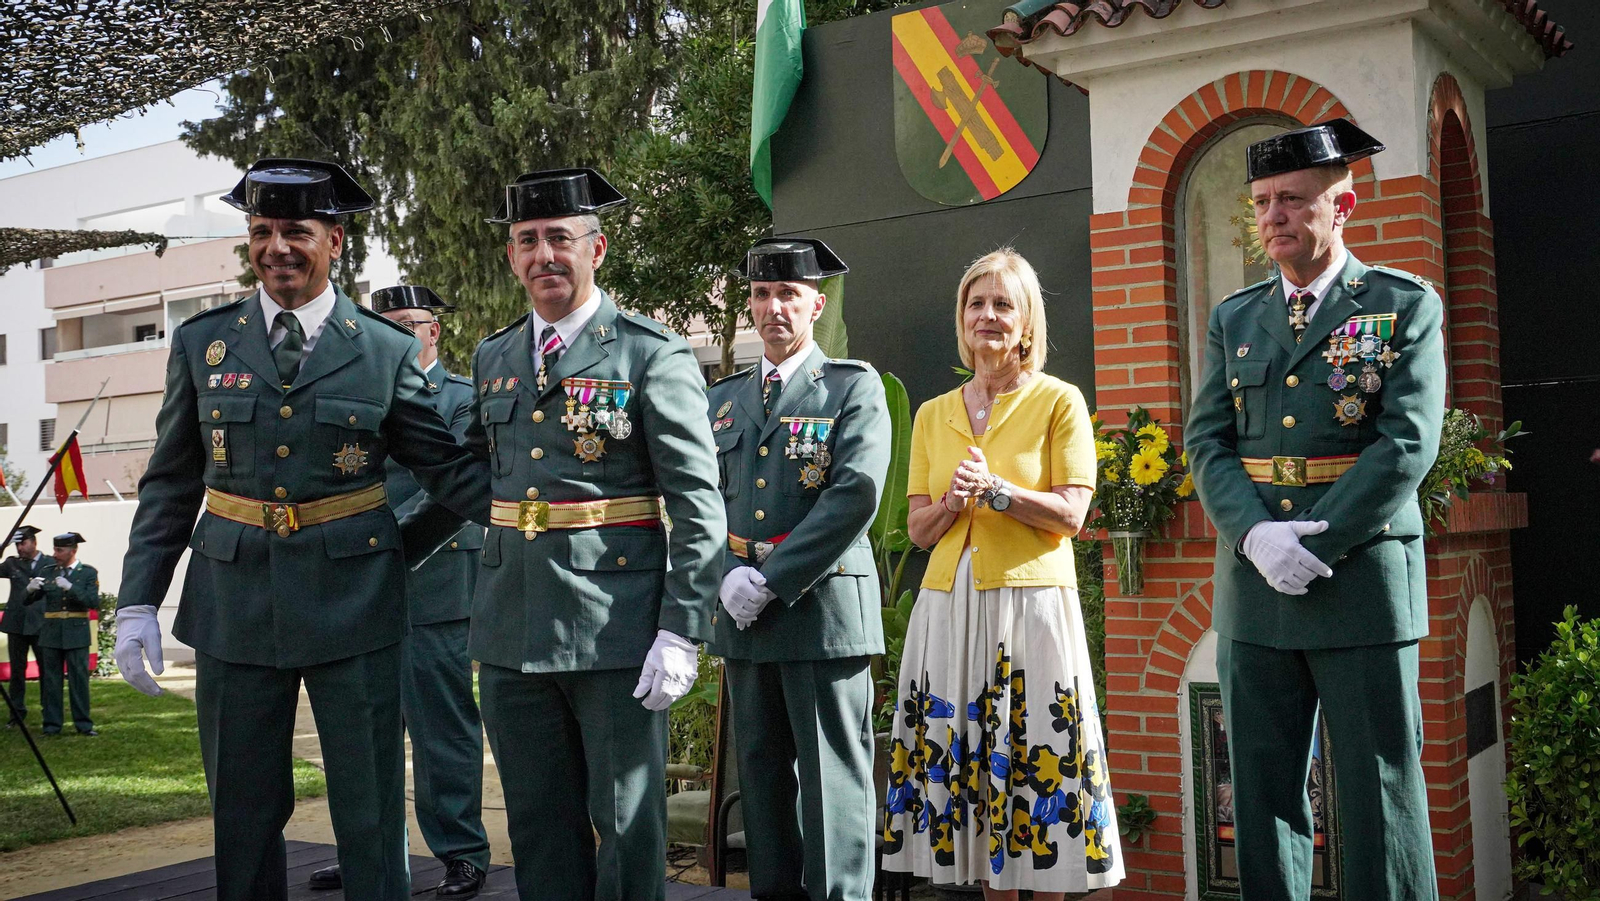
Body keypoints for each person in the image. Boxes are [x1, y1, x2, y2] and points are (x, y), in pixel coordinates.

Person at [112, 158, 492, 901]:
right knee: (243, 809)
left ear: (335, 241)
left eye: (297, 231)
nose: (277, 246)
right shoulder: (203, 343)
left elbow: (450, 476)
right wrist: (134, 600)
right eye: (262, 231)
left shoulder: (383, 350)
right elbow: (170, 483)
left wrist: (405, 547)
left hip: (356, 605)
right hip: (233, 603)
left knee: (370, 806)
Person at [405, 167, 725, 901]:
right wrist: (385, 554)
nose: (544, 254)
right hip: (513, 626)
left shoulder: (652, 353)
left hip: (617, 631)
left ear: (597, 249)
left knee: (624, 821)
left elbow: (698, 504)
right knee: (538, 823)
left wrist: (682, 628)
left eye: (560, 238)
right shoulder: (494, 357)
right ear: (512, 256)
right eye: (527, 241)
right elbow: (479, 486)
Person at [1184, 118, 1446, 901]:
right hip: (1256, 587)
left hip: (1360, 580)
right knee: (1261, 798)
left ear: (1343, 206)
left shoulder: (1403, 305)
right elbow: (1207, 441)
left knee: (1378, 796)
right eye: (1263, 202)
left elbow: (1406, 443)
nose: (1274, 217)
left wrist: (1318, 542)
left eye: (1293, 200)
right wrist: (1258, 535)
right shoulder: (1235, 317)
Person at [881, 248, 1122, 899]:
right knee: (978, 790)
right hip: (948, 610)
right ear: (962, 318)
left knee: (1033, 773)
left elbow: (1073, 512)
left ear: (1026, 321)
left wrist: (997, 492)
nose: (987, 315)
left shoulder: (1058, 402)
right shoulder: (934, 414)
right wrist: (956, 501)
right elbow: (921, 528)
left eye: (1002, 304)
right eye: (975, 303)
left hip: (1031, 608)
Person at [705, 238, 890, 901]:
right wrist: (728, 571)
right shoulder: (723, 400)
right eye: (761, 294)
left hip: (819, 615)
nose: (773, 306)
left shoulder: (850, 385)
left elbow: (855, 495)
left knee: (831, 790)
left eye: (788, 294)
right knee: (761, 787)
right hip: (745, 619)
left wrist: (770, 579)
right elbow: (700, 499)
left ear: (816, 302)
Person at [307, 285, 489, 898]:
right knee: (360, 732)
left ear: (434, 331)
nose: (396, 335)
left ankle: (461, 851)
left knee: (442, 729)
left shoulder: (464, 399)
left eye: (408, 324)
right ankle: (368, 850)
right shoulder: (354, 393)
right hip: (355, 588)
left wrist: (377, 543)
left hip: (432, 584)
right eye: (383, 325)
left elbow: (454, 488)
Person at [32, 531, 99, 736]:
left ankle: (84, 725)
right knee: (51, 681)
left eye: (59, 550)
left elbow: (93, 602)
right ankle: (51, 725)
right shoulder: (48, 571)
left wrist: (71, 588)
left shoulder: (87, 573)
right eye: (55, 549)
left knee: (79, 680)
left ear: (73, 550)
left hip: (76, 633)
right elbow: (30, 600)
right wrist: (29, 590)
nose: (55, 554)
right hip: (51, 633)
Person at [2, 525, 47, 724]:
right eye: (17, 544)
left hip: (41, 625)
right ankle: (16, 714)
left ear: (34, 542)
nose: (19, 548)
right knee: (17, 672)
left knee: (47, 671)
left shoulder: (49, 563)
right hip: (17, 625)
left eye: (23, 543)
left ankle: (50, 713)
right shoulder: (11, 564)